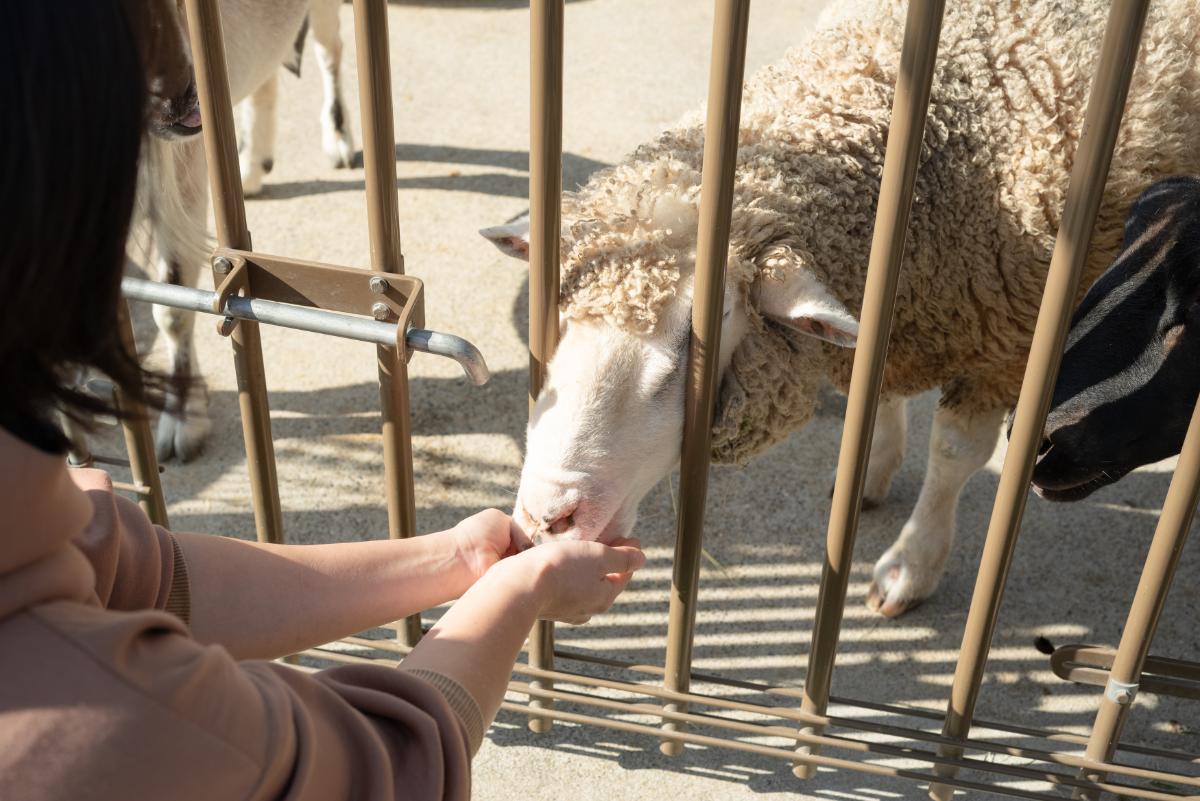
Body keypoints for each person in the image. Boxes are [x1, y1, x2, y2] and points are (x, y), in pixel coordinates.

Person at [0, 4, 645, 800]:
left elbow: (142, 573)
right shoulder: (95, 721)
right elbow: (392, 768)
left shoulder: (24, 522)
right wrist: (523, 592)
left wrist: (457, 561)